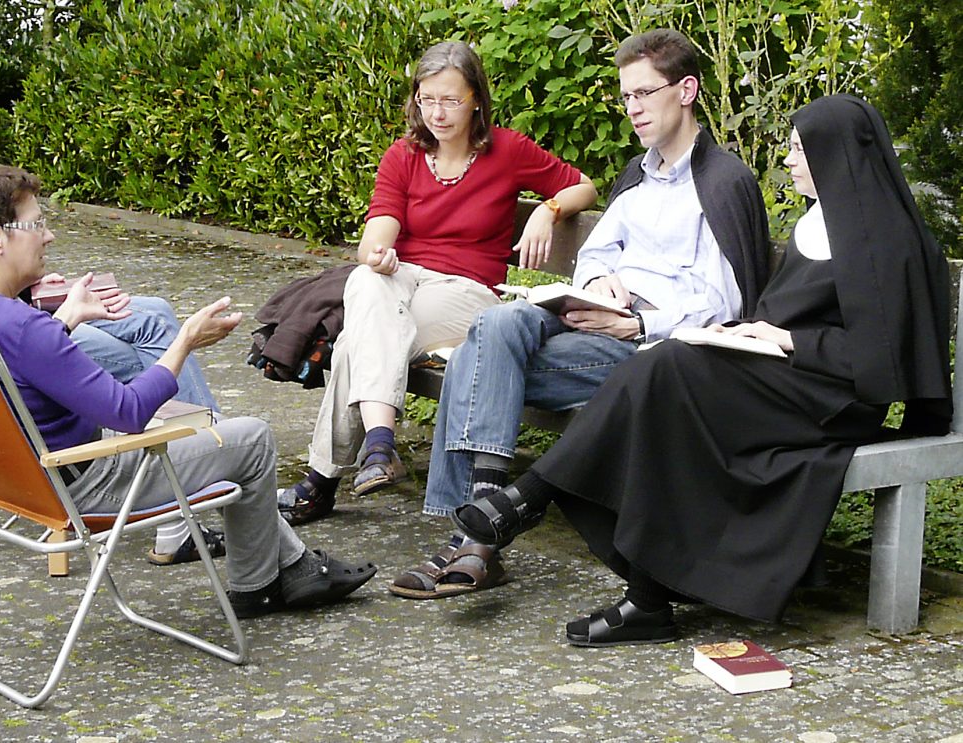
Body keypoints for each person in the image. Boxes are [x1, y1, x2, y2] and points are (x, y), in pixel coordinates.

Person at [452, 94, 953, 646]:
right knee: (664, 377)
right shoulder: (819, 221)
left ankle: (534, 499)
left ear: (835, 156)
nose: (787, 160)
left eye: (798, 150)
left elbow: (883, 359)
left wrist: (785, 338)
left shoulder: (890, 242)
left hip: (834, 400)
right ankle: (641, 596)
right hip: (783, 380)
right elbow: (782, 314)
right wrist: (743, 332)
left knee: (668, 369)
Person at [392, 29, 771, 599]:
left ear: (687, 90)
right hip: (597, 317)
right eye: (626, 97)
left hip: (652, 349)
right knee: (496, 324)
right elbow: (596, 251)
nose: (633, 108)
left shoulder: (721, 182)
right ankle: (486, 525)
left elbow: (728, 300)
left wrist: (637, 322)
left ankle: (475, 537)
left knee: (476, 356)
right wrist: (596, 282)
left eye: (644, 93)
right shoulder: (639, 175)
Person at [0, 162, 378, 615]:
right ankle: (257, 587)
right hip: (87, 482)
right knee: (252, 440)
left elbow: (20, 366)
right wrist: (184, 341)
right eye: (36, 225)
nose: (48, 236)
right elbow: (128, 411)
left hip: (15, 481)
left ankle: (298, 565)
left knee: (213, 427)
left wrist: (66, 318)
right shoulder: (26, 328)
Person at [277, 40, 597, 526]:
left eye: (450, 100)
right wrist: (379, 255)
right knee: (366, 281)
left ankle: (334, 474)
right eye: (427, 100)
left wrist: (548, 211)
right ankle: (377, 448)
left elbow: (584, 186)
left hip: (467, 292)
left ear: (476, 100)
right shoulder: (403, 156)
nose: (438, 113)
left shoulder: (508, 150)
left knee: (358, 341)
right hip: (403, 282)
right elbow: (375, 238)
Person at [0, 43, 219, 415]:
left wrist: (36, 287)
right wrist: (53, 309)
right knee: (149, 335)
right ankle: (208, 435)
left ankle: (198, 432)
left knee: (155, 312)